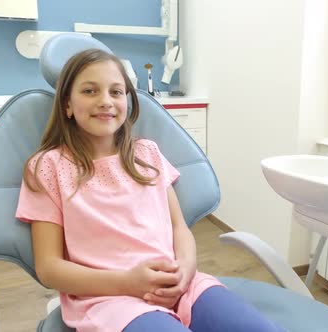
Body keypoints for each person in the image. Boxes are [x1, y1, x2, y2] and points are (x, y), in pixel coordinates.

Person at [16, 49, 286, 332]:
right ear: (67, 105)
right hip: (110, 299)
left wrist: (186, 269)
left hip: (181, 285)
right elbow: (49, 268)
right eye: (89, 91)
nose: (105, 101)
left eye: (116, 92)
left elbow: (179, 228)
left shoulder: (147, 154)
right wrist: (128, 282)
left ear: (127, 102)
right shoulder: (48, 167)